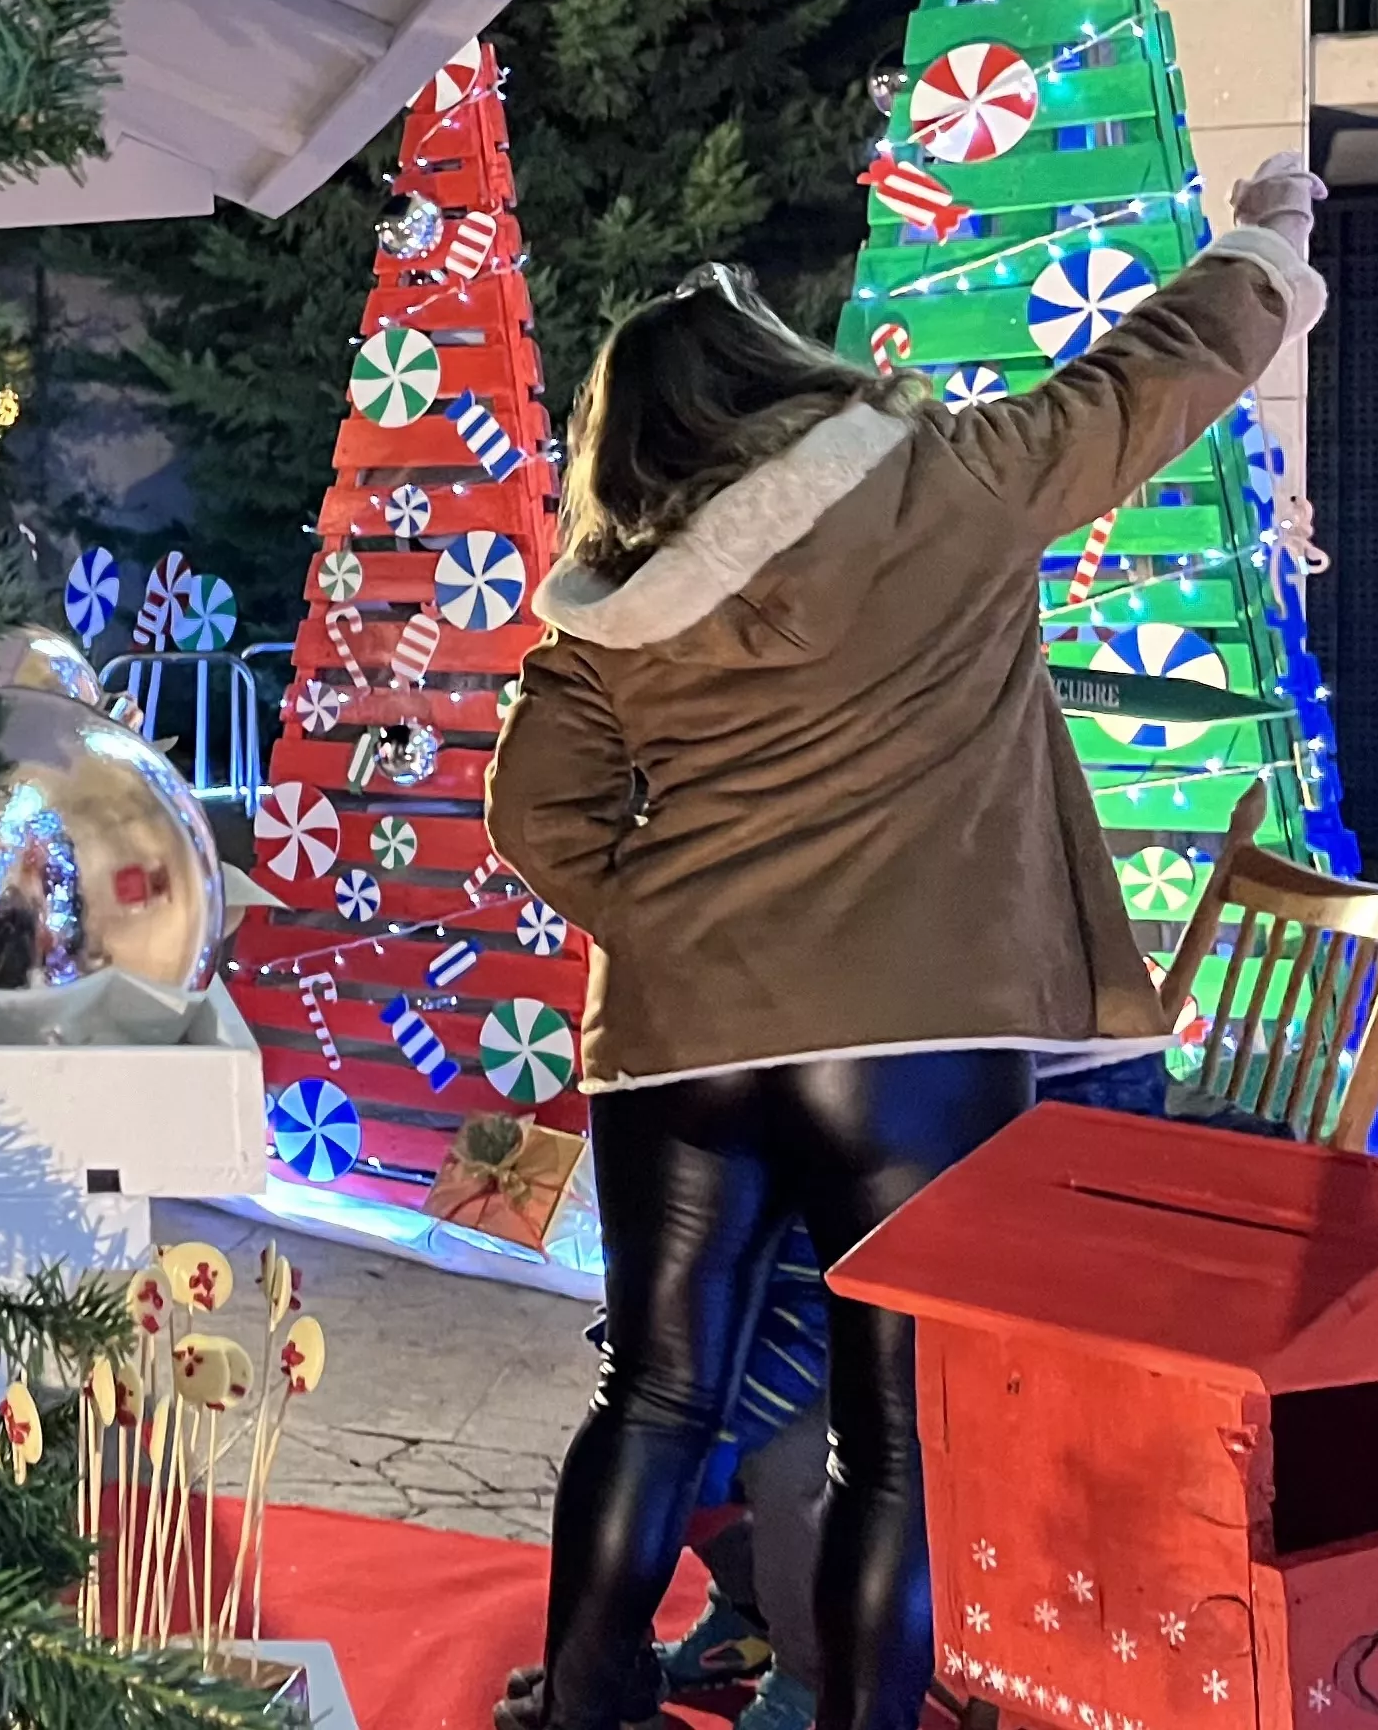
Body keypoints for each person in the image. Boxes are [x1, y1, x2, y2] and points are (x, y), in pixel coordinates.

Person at [485, 154, 1327, 1730]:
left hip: (678, 1049)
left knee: (653, 1394)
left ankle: (585, 1706)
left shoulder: (607, 617)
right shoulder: (951, 481)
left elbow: (534, 813)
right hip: (917, 1052)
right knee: (902, 1439)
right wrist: (1268, 235)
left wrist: (682, 928)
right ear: (776, 376)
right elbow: (1150, 372)